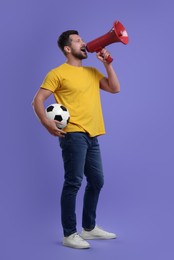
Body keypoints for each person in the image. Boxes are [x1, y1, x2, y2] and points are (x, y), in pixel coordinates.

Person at [32, 30, 121, 249]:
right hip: (73, 134)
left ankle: (89, 228)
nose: (84, 42)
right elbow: (38, 100)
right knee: (73, 182)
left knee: (97, 181)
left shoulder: (92, 71)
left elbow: (115, 88)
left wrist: (108, 63)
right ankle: (69, 234)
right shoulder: (57, 73)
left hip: (93, 134)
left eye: (82, 39)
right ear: (67, 49)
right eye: (78, 40)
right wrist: (46, 123)